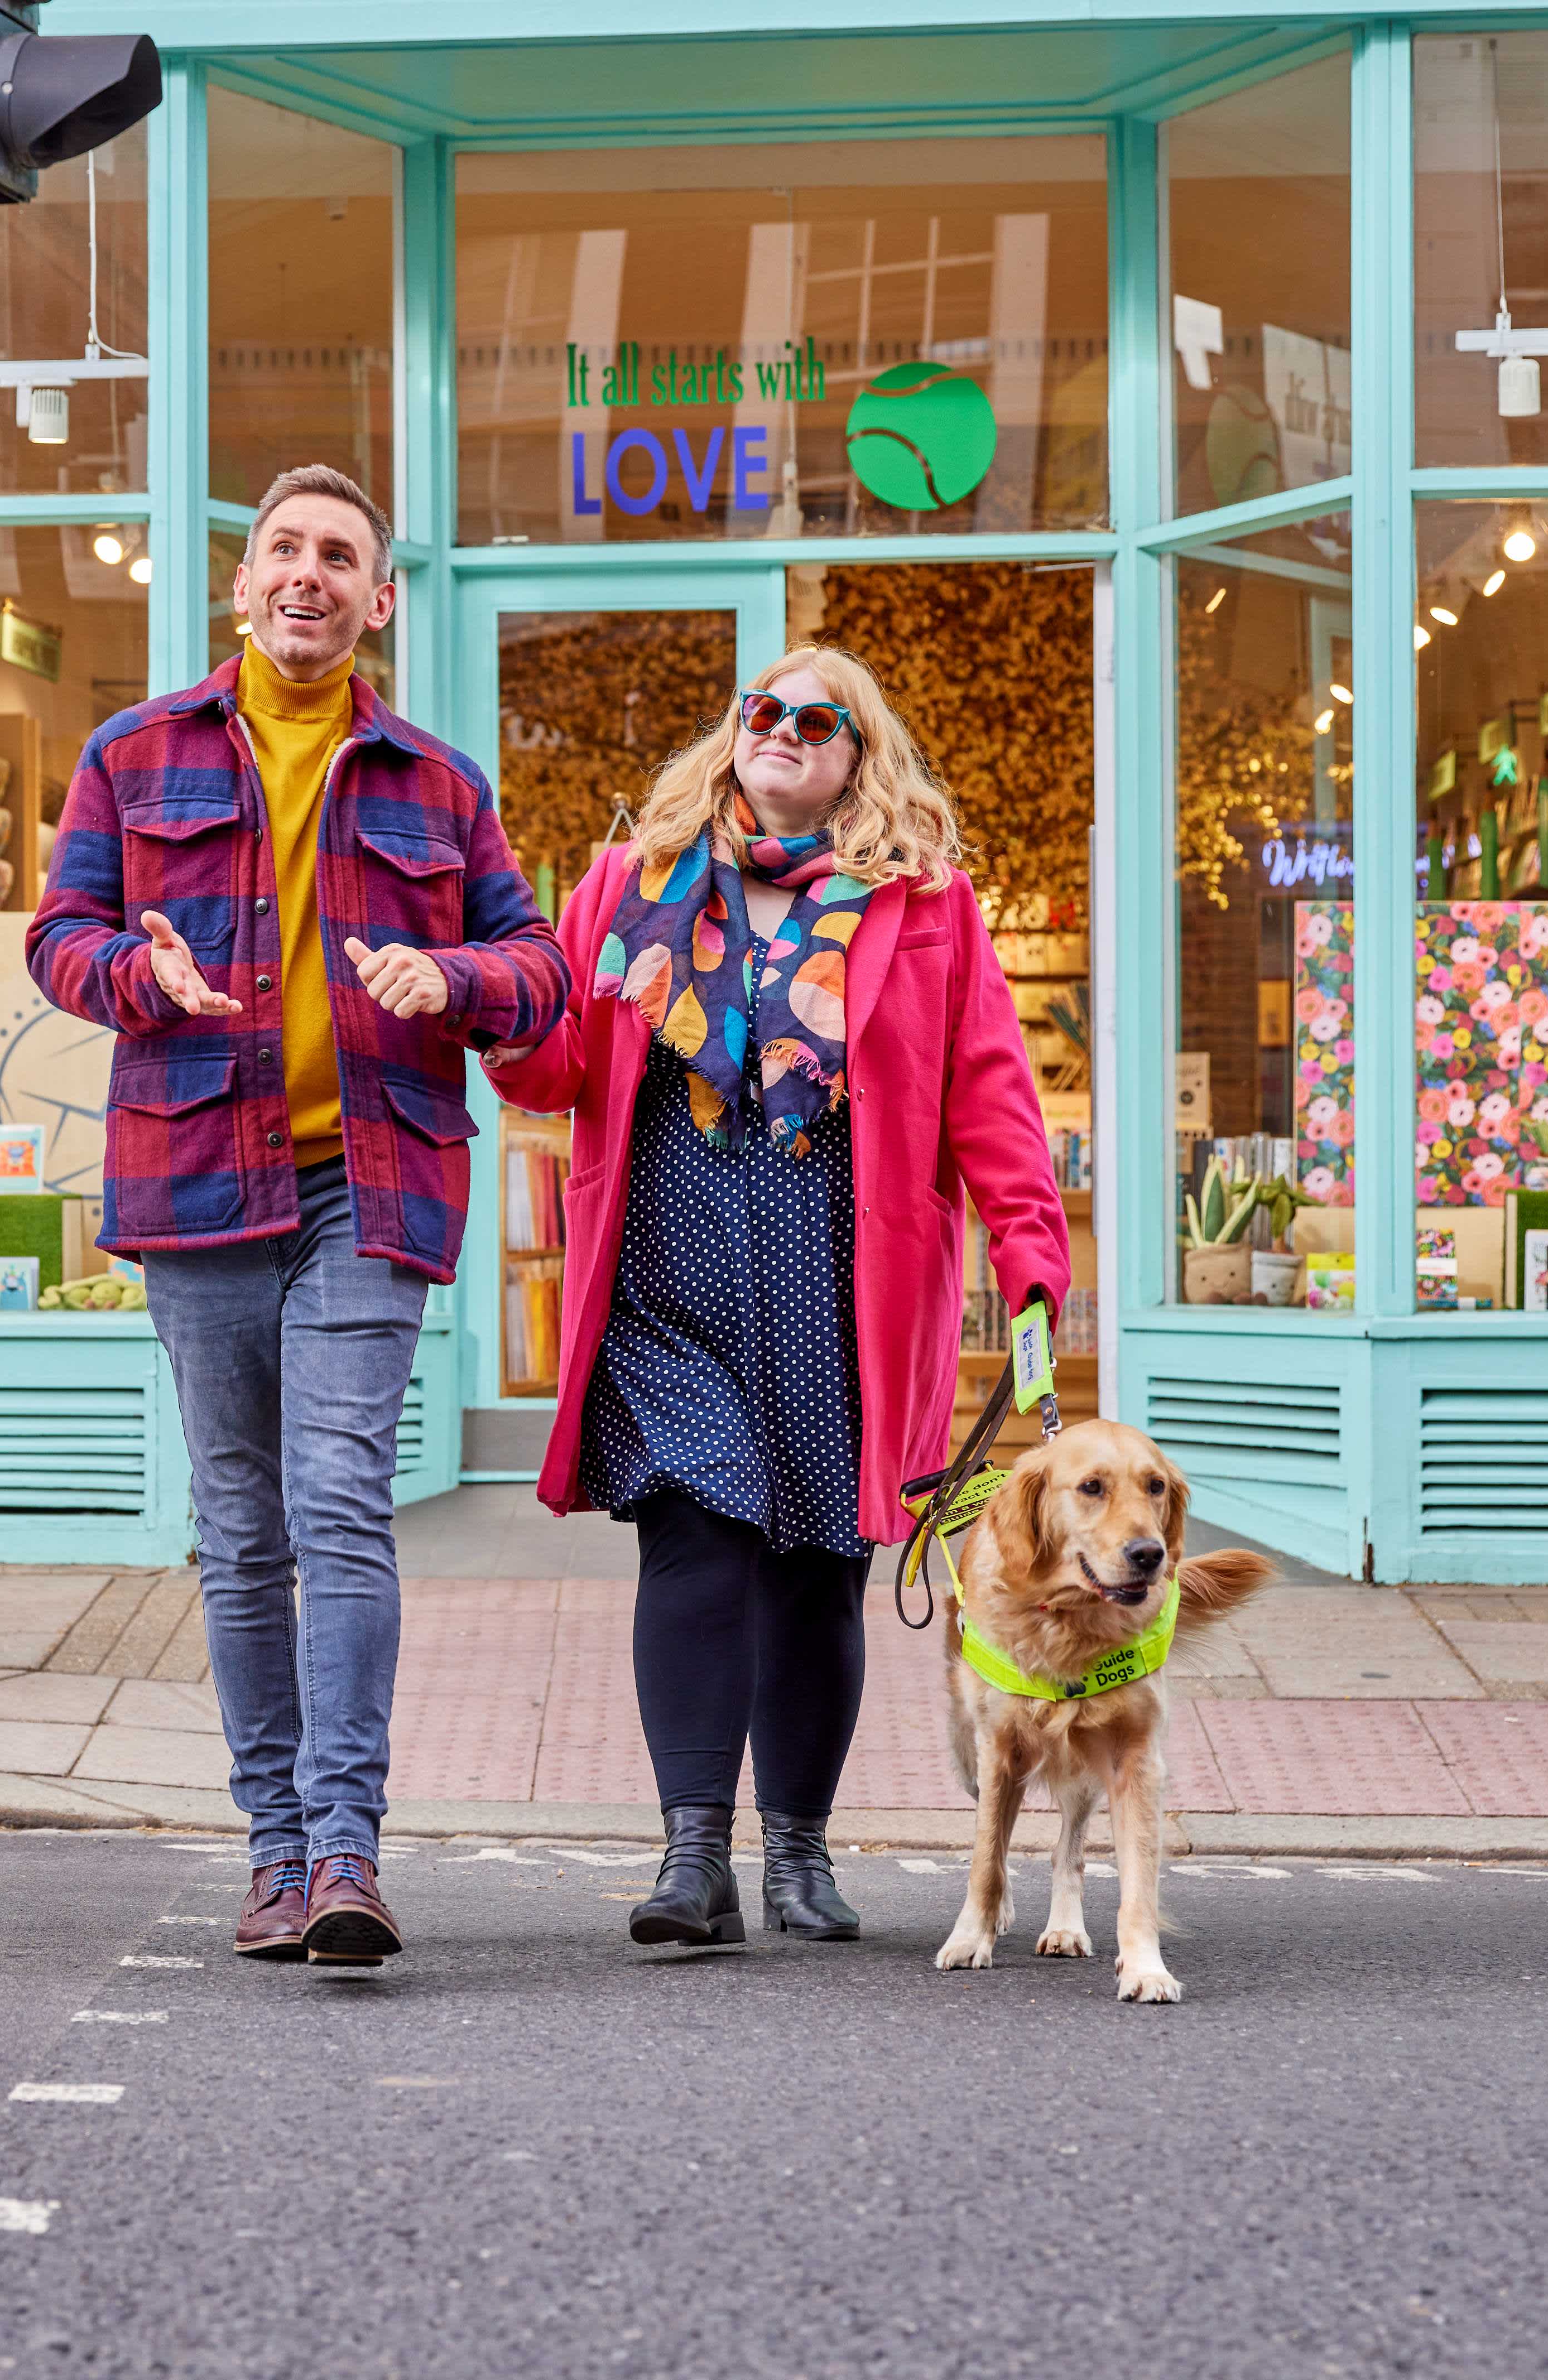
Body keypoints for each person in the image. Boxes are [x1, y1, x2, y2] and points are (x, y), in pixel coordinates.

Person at [28, 465, 570, 1969]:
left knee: (336, 1502)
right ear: (243, 582)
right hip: (198, 1179)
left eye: (340, 555)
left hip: (366, 1181)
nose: (308, 573)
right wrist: (141, 980)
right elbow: (57, 937)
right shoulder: (132, 758)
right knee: (239, 1525)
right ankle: (270, 1852)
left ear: (378, 599)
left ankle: (344, 1853)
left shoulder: (439, 786)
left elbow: (537, 966)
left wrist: (451, 979)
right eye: (284, 548)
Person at [480, 647, 1069, 1950]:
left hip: (841, 1278)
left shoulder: (927, 908)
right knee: (696, 1534)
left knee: (816, 1567)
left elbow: (991, 1100)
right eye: (766, 713)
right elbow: (558, 1065)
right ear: (734, 736)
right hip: (669, 1265)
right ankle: (693, 1856)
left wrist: (1032, 1260)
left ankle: (799, 1850)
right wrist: (491, 1016)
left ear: (861, 758)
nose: (786, 732)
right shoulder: (629, 886)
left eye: (821, 720)